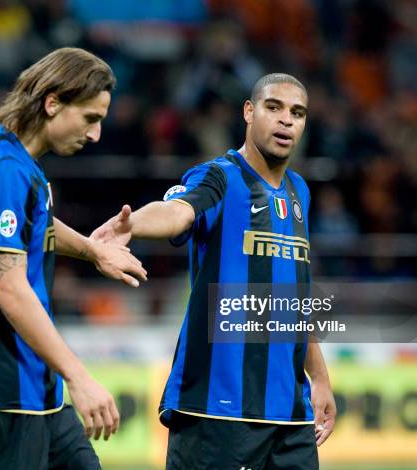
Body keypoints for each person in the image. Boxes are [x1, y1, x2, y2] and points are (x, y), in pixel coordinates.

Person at [92, 73, 336, 469]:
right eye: (274, 108)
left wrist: (320, 378)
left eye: (298, 113)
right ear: (249, 111)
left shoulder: (299, 192)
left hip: (290, 417)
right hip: (216, 413)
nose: (286, 120)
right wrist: (132, 224)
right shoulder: (219, 176)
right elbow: (178, 212)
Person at [0, 47, 148, 470]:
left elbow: (33, 226)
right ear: (53, 102)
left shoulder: (5, 154)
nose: (96, 136)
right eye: (91, 118)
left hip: (35, 388)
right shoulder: (6, 171)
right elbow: (10, 289)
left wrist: (93, 251)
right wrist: (80, 376)